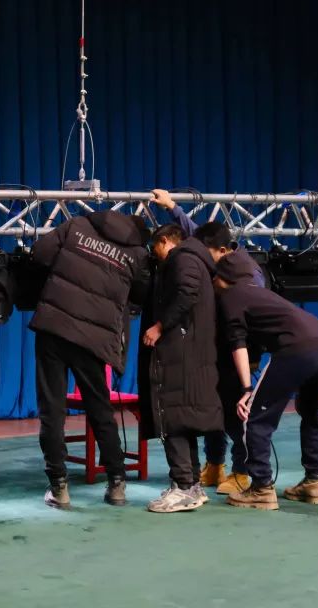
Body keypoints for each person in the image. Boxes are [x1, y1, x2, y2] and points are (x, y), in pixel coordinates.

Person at [28, 209, 150, 509]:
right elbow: (141, 294)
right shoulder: (136, 253)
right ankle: (117, 483)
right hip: (94, 338)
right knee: (100, 409)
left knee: (52, 410)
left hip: (55, 327)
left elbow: (39, 254)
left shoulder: (77, 225)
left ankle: (59, 487)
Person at [152, 189, 265, 494]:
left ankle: (242, 470)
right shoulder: (214, 252)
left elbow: (248, 319)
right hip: (217, 350)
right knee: (213, 410)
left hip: (241, 351)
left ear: (223, 250)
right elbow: (194, 233)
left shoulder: (247, 272)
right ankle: (215, 465)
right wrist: (172, 206)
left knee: (236, 414)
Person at [213, 249, 318, 510]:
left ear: (223, 277)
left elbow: (238, 344)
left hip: (298, 349)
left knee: (255, 418)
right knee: (311, 413)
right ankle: (314, 482)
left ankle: (261, 488)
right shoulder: (262, 293)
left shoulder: (231, 296)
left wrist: (247, 388)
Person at [138, 224, 223, 513]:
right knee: (183, 418)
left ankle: (184, 487)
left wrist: (160, 326)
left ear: (164, 241)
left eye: (155, 249)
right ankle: (191, 485)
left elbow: (187, 293)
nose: (155, 255)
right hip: (190, 355)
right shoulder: (195, 258)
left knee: (172, 415)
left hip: (179, 355)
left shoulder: (183, 258)